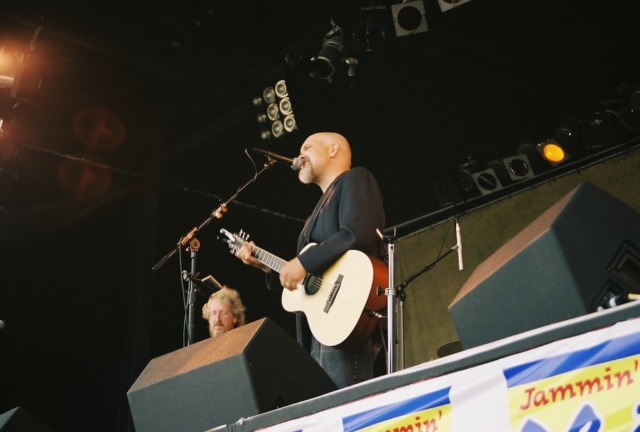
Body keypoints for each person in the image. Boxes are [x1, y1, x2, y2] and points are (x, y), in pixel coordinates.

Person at [236, 132, 386, 388]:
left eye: (307, 147)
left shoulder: (355, 178)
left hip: (349, 317)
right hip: (320, 328)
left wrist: (303, 262)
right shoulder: (312, 217)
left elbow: (357, 232)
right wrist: (265, 266)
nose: (300, 155)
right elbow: (312, 277)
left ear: (333, 149)